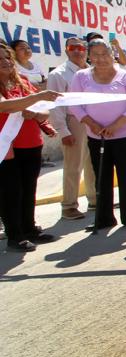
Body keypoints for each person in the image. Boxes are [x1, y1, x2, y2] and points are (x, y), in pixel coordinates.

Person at [69, 39, 126, 233]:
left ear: (113, 55)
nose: (101, 59)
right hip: (96, 135)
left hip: (125, 134)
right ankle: (104, 218)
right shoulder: (81, 76)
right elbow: (74, 103)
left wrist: (116, 125)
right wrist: (91, 123)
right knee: (101, 177)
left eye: (105, 54)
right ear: (89, 57)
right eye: (96, 55)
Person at [0, 43, 57, 251]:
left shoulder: (22, 82)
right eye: (0, 59)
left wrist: (36, 112)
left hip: (31, 143)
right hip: (7, 147)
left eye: (8, 57)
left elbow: (44, 112)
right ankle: (15, 235)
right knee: (11, 192)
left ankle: (29, 228)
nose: (6, 62)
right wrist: (35, 98)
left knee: (29, 189)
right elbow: (4, 106)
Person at [46, 37, 96, 219]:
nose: (78, 51)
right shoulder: (58, 74)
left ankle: (94, 199)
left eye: (81, 47)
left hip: (93, 121)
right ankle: (69, 205)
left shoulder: (92, 71)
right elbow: (55, 105)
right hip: (73, 121)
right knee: (73, 166)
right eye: (73, 48)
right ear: (67, 51)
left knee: (93, 163)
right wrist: (63, 131)